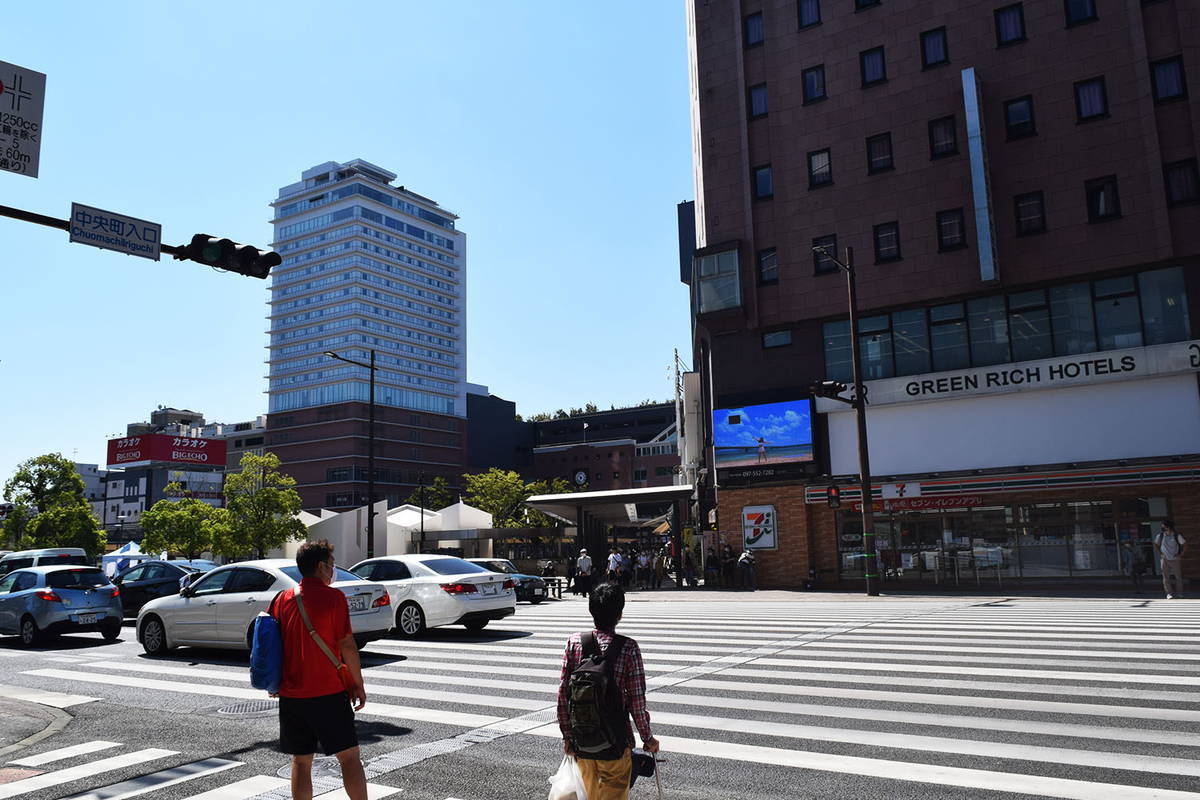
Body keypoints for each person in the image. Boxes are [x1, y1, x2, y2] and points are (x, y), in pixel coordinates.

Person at [269, 540, 368, 800]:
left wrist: (273, 682)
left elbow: (271, 645)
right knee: (349, 757)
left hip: (292, 695)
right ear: (321, 566)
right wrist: (357, 684)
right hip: (328, 692)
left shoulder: (282, 599)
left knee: (301, 761)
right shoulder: (334, 598)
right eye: (332, 565)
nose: (333, 570)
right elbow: (347, 645)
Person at [557, 583, 658, 800]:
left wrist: (567, 736)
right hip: (615, 743)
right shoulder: (628, 648)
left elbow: (564, 694)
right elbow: (636, 701)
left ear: (591, 610)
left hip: (582, 743)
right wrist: (647, 738)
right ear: (620, 614)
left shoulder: (574, 642)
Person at [1154, 519, 1187, 599]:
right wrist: (1161, 553)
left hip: (1175, 559)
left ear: (1169, 527)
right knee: (1166, 577)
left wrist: (1180, 554)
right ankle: (1169, 593)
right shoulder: (1160, 536)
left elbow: (1185, 544)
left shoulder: (1176, 535)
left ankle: (1179, 593)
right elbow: (1155, 544)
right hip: (1164, 559)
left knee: (1178, 577)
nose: (1163, 528)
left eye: (1164, 527)